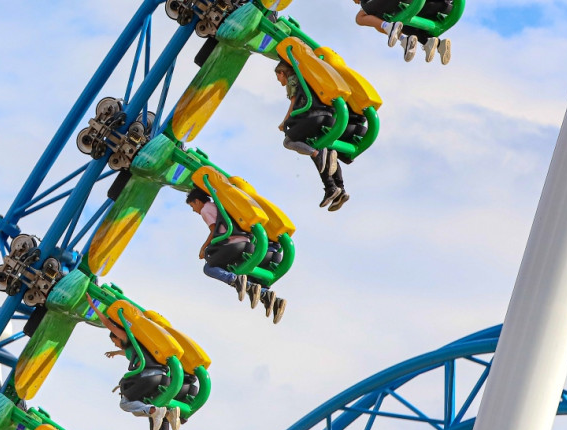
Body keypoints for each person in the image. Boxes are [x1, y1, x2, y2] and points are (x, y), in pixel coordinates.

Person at [85, 295, 183, 430]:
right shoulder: (144, 344)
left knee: (126, 403)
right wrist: (116, 353)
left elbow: (109, 324)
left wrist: (93, 307)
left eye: (114, 341)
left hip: (149, 377)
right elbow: (129, 352)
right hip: (164, 378)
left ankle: (155, 411)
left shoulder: (130, 338)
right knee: (158, 411)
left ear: (118, 335)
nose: (116, 343)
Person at [185, 189, 286, 323]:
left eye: (192, 206)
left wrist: (203, 249)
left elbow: (213, 231)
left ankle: (234, 280)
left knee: (209, 267)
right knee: (244, 273)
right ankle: (268, 296)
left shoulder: (206, 209)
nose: (194, 210)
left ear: (197, 201)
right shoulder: (222, 203)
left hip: (233, 244)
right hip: (248, 244)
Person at [274, 61, 349, 210]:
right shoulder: (310, 78)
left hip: (312, 117)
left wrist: (285, 121)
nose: (278, 80)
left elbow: (294, 101)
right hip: (329, 117)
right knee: (326, 150)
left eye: (277, 76)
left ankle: (317, 155)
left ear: (282, 73)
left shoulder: (293, 80)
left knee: (289, 141)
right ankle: (336, 188)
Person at [352, 0, 451, 64]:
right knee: (396, 21)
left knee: (360, 17)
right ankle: (428, 41)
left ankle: (391, 29)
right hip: (442, 7)